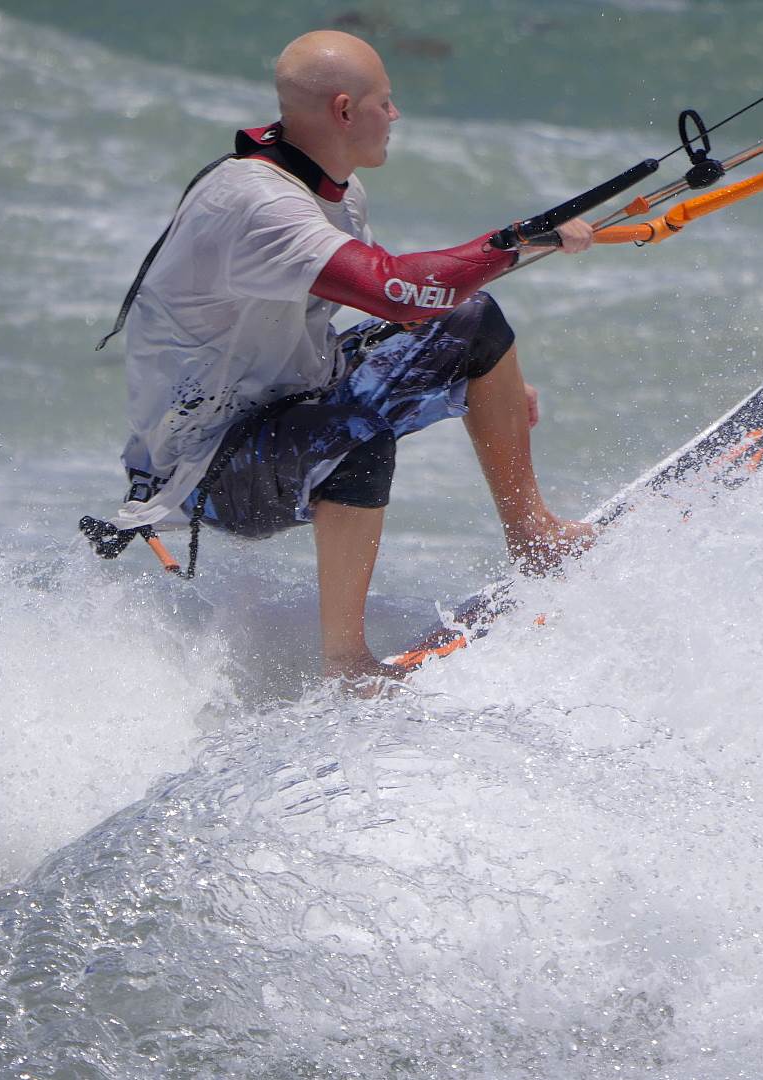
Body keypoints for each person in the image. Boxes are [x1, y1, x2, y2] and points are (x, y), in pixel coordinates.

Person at [99, 30, 596, 682]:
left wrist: (491, 380)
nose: (395, 116)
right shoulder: (258, 204)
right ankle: (347, 663)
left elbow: (413, 303)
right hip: (208, 467)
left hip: (292, 397)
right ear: (343, 110)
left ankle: (532, 533)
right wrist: (517, 242)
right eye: (384, 103)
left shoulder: (338, 189)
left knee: (474, 324)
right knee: (355, 441)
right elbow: (395, 286)